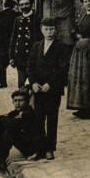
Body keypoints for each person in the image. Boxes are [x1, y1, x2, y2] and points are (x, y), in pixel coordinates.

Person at [27, 17, 71, 160]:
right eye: (46, 29)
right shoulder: (36, 46)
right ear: (41, 30)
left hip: (52, 89)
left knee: (52, 119)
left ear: (56, 30)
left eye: (51, 29)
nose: (49, 32)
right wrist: (33, 83)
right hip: (38, 88)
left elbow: (62, 69)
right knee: (38, 119)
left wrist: (50, 84)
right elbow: (30, 66)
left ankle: (50, 148)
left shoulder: (61, 47)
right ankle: (39, 149)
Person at [66, 0, 90, 119]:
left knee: (89, 79)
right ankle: (81, 107)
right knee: (79, 78)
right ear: (83, 4)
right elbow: (74, 29)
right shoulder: (83, 16)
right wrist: (77, 35)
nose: (88, 3)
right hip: (79, 52)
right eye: (85, 1)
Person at [0, 90, 38, 171]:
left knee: (11, 127)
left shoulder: (29, 113)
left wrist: (8, 120)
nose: (18, 103)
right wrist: (7, 119)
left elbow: (13, 122)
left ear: (27, 102)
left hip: (31, 147)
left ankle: (0, 160)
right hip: (22, 142)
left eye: (20, 100)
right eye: (15, 101)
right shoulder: (16, 112)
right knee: (3, 124)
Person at [9, 0, 41, 89]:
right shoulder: (18, 20)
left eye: (26, 4)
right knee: (21, 87)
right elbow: (13, 39)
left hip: (33, 59)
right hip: (20, 58)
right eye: (21, 4)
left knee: (34, 86)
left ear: (31, 4)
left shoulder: (37, 19)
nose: (24, 6)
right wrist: (11, 57)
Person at [0, 0, 18, 88]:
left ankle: (1, 80)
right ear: (13, 6)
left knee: (1, 61)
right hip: (11, 42)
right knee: (6, 62)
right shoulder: (16, 15)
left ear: (5, 5)